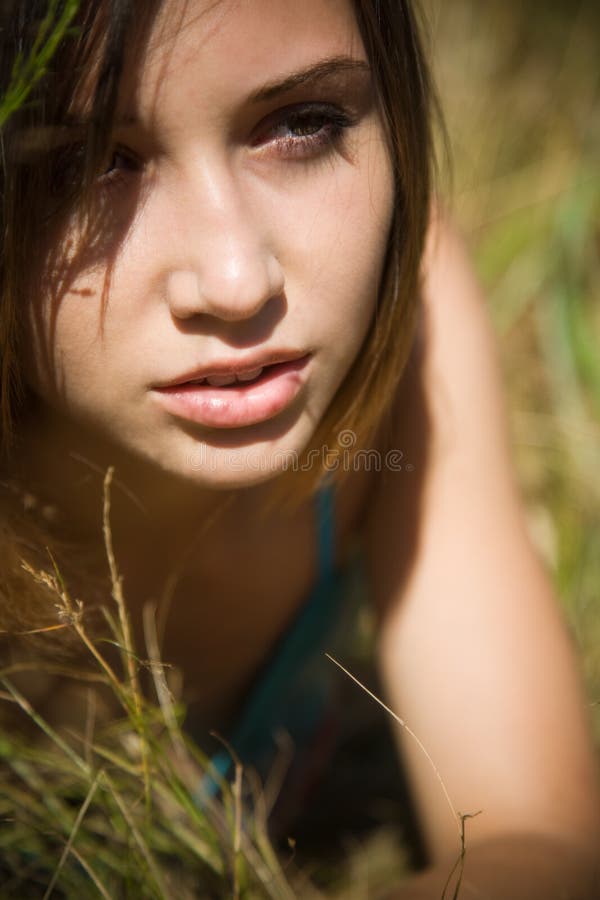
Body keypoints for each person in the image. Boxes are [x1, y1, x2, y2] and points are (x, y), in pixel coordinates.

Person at [1, 0, 599, 896]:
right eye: (91, 164)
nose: (237, 280)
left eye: (302, 124)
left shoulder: (413, 337)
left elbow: (542, 850)